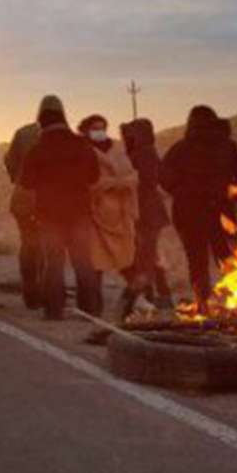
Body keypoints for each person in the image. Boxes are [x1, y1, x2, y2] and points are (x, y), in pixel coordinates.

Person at [162, 106, 237, 312]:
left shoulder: (180, 148)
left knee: (197, 260)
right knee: (229, 257)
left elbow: (164, 176)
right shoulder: (231, 146)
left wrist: (182, 191)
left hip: (188, 211)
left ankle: (203, 303)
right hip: (221, 210)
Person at [21, 107, 102, 319]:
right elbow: (94, 177)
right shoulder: (82, 145)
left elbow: (26, 182)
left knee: (53, 263)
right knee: (83, 261)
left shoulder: (37, 149)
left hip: (49, 214)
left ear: (42, 124)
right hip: (80, 211)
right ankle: (90, 310)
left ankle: (54, 310)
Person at [3, 95, 66, 309]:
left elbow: (10, 161)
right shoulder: (65, 135)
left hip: (24, 197)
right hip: (54, 199)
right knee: (52, 247)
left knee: (29, 244)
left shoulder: (23, 133)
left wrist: (18, 179)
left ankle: (30, 293)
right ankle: (49, 293)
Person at [79, 114, 138, 324]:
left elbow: (132, 175)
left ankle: (135, 300)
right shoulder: (83, 151)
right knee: (95, 264)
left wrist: (118, 183)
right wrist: (109, 184)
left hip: (120, 214)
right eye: (95, 128)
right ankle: (94, 309)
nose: (99, 131)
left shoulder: (118, 149)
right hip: (94, 213)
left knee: (126, 259)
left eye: (102, 127)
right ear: (86, 130)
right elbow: (86, 182)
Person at [121, 118, 174, 312]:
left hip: (146, 212)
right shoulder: (145, 152)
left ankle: (144, 294)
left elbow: (145, 182)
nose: (127, 138)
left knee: (145, 256)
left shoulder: (144, 154)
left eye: (130, 134)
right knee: (149, 255)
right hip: (146, 212)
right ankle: (160, 294)